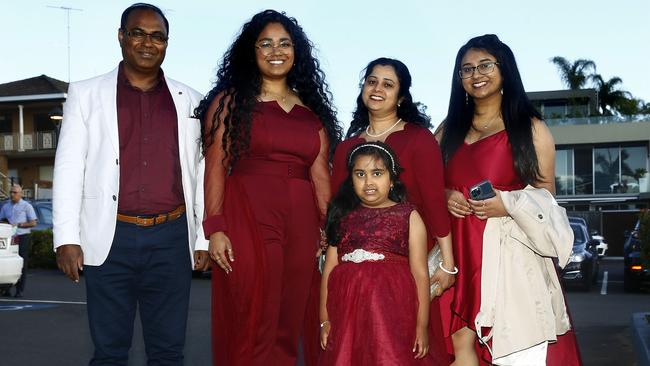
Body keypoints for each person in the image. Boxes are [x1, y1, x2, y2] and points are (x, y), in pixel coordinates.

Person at [52, 3, 208, 365]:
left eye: (157, 36)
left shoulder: (192, 101)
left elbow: (201, 173)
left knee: (168, 352)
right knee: (109, 352)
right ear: (121, 37)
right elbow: (69, 167)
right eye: (138, 32)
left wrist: (201, 236)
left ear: (167, 43)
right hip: (110, 239)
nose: (147, 43)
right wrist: (67, 238)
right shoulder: (86, 94)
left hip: (170, 239)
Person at [194, 9, 341, 366]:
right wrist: (215, 229)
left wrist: (329, 228)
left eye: (284, 43)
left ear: (297, 51)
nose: (276, 51)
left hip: (302, 225)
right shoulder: (229, 102)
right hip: (248, 216)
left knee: (288, 322)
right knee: (253, 315)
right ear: (252, 51)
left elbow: (320, 175)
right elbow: (215, 168)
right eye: (266, 43)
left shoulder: (312, 111)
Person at [437, 34, 582, 365]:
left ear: (505, 71)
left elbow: (547, 200)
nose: (477, 74)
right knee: (460, 349)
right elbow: (423, 182)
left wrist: (507, 204)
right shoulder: (448, 130)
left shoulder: (530, 129)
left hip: (509, 257)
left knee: (516, 350)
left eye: (486, 65)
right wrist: (444, 194)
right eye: (467, 69)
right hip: (457, 253)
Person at [330, 57, 454, 364]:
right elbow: (337, 207)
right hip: (355, 273)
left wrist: (448, 262)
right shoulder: (347, 148)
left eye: (388, 84)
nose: (377, 89)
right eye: (372, 81)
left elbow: (435, 202)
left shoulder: (418, 138)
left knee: (402, 347)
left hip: (406, 263)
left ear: (401, 97)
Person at [319, 142, 434, 365]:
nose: (368, 181)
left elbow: (420, 274)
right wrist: (324, 320)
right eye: (360, 174)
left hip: (392, 312)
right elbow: (329, 270)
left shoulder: (408, 215)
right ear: (351, 180)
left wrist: (421, 325)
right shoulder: (342, 217)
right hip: (346, 313)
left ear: (392, 180)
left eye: (377, 173)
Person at [0, 184, 37, 298]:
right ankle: (7, 289)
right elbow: (2, 220)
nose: (12, 194)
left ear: (21, 194)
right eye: (11, 192)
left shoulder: (27, 206)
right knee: (9, 262)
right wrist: (6, 224)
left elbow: (33, 223)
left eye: (15, 192)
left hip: (22, 237)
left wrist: (20, 224)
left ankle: (19, 290)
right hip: (9, 238)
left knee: (22, 263)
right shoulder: (6, 206)